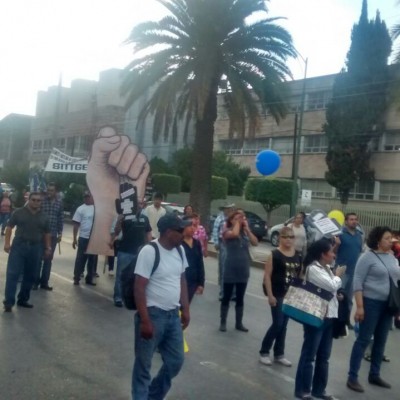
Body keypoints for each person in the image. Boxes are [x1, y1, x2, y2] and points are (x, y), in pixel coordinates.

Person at [132, 214, 191, 400]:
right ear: (167, 232)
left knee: (176, 361)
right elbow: (139, 286)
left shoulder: (180, 251)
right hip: (152, 315)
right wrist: (145, 320)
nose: (184, 233)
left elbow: (182, 280)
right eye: (180, 230)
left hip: (173, 316)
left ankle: (153, 395)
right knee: (144, 366)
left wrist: (186, 309)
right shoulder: (150, 251)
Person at [346, 226, 400, 393]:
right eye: (387, 238)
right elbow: (358, 282)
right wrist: (360, 307)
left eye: (391, 238)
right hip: (371, 304)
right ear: (377, 240)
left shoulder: (392, 258)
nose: (390, 241)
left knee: (381, 340)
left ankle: (374, 374)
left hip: (388, 305)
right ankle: (352, 377)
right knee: (363, 339)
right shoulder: (367, 257)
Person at [294, 239, 345, 400]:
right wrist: (337, 277)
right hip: (316, 315)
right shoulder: (313, 269)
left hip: (330, 315)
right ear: (323, 254)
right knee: (309, 355)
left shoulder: (327, 268)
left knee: (324, 357)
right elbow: (331, 285)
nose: (333, 254)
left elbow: (330, 290)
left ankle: (319, 389)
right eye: (331, 251)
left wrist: (338, 293)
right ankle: (303, 390)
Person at [259, 226, 302, 367]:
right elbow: (267, 276)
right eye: (285, 237)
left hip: (290, 295)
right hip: (277, 294)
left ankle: (279, 354)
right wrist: (270, 295)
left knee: (284, 325)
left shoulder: (297, 255)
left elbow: (299, 275)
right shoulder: (274, 254)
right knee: (277, 323)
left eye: (291, 237)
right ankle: (264, 352)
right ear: (280, 238)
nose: (288, 240)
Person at [3, 192, 51, 312]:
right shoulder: (18, 212)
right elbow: (9, 227)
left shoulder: (44, 217)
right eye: (33, 200)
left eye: (38, 200)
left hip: (36, 247)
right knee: (13, 274)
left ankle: (23, 299)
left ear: (41, 202)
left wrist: (47, 248)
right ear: (29, 200)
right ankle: (8, 302)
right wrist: (7, 243)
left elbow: (47, 233)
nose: (36, 202)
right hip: (19, 246)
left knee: (31, 275)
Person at [219, 210, 258, 332]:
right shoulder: (226, 231)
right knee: (226, 296)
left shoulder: (244, 232)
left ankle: (238, 323)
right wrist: (238, 222)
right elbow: (234, 233)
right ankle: (223, 321)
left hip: (243, 268)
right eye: (236, 218)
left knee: (240, 297)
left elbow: (255, 242)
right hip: (230, 267)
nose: (240, 221)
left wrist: (247, 229)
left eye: (241, 218)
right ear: (231, 220)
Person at [112, 204, 152, 307]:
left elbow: (148, 233)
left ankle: (131, 298)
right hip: (125, 251)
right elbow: (116, 232)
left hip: (139, 253)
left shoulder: (145, 218)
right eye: (137, 204)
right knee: (121, 275)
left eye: (141, 204)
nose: (139, 206)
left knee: (136, 277)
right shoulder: (125, 217)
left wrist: (150, 246)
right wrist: (119, 221)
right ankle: (118, 297)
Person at [33, 182, 63, 291]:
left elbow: (60, 218)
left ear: (56, 192)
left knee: (48, 259)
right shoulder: (42, 201)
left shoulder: (59, 203)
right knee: (38, 259)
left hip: (53, 235)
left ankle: (44, 282)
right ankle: (35, 282)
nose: (49, 192)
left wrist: (60, 232)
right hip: (41, 234)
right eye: (48, 190)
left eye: (52, 190)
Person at [335, 213, 363, 325]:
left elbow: (360, 252)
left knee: (349, 298)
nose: (354, 221)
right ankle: (335, 321)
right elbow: (333, 252)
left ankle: (346, 321)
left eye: (355, 219)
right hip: (341, 271)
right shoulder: (340, 234)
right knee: (338, 296)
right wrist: (336, 244)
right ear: (346, 221)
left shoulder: (359, 235)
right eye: (351, 219)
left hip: (354, 271)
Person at [72, 192, 98, 286]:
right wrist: (74, 239)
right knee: (80, 259)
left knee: (92, 260)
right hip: (83, 237)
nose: (87, 199)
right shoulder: (80, 209)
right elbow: (76, 225)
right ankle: (76, 277)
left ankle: (89, 278)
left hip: (94, 238)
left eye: (88, 197)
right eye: (85, 197)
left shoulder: (97, 208)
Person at [212, 203, 234, 300]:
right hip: (223, 243)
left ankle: (232, 293)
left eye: (230, 208)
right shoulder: (220, 218)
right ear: (224, 209)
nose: (229, 210)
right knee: (223, 268)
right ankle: (223, 292)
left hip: (232, 244)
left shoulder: (232, 218)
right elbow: (215, 231)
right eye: (228, 208)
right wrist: (216, 243)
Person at [181, 216, 205, 303]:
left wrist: (201, 283)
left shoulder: (197, 243)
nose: (192, 228)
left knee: (186, 306)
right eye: (189, 225)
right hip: (180, 281)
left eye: (194, 225)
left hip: (192, 282)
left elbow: (200, 264)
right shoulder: (178, 243)